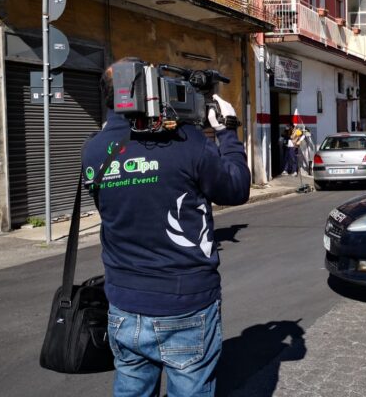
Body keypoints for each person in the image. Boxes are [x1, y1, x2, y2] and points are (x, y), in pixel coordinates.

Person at [82, 59, 250, 396]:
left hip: (124, 305)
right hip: (185, 303)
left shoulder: (94, 150)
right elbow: (236, 187)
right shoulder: (188, 143)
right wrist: (227, 131)